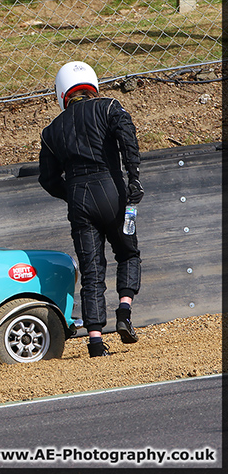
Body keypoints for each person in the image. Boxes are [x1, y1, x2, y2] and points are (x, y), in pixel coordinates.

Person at [38, 61, 144, 357]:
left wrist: (72, 195)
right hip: (113, 192)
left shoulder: (51, 131)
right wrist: (133, 177)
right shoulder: (109, 107)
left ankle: (96, 341)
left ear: (62, 93)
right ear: (92, 86)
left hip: (79, 200)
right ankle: (124, 311)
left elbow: (46, 179)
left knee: (91, 270)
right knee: (128, 253)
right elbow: (128, 137)